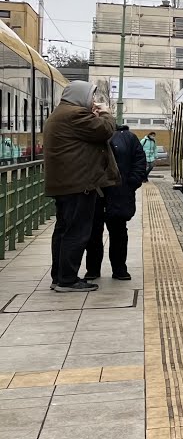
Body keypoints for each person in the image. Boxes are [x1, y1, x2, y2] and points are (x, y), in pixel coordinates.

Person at [44, 82, 119, 293]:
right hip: (78, 184)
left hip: (65, 184)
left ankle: (59, 277)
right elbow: (104, 130)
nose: (93, 101)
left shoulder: (61, 114)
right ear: (80, 96)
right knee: (76, 232)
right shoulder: (74, 115)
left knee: (63, 231)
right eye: (91, 96)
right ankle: (68, 279)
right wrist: (106, 113)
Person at [84, 124, 147, 281]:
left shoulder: (127, 137)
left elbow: (139, 160)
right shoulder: (87, 133)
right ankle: (92, 269)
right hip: (93, 192)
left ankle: (119, 269)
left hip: (119, 192)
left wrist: (131, 183)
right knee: (92, 232)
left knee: (118, 232)